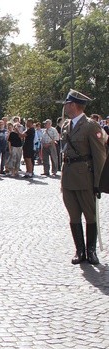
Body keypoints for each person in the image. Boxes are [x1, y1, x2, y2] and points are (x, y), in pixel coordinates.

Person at [60, 90, 106, 265]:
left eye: (66, 103)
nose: (65, 107)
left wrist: (98, 183)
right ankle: (79, 250)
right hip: (68, 177)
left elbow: (99, 156)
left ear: (73, 105)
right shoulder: (66, 126)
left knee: (90, 215)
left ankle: (91, 251)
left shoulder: (90, 126)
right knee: (73, 215)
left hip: (85, 177)